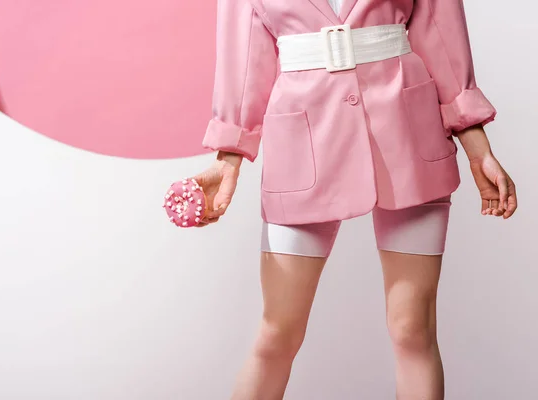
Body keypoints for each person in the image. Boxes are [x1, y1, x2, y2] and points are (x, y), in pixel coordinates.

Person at [192, 0, 517, 399]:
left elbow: (441, 33)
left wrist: (477, 146)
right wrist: (228, 159)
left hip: (408, 137)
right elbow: (242, 60)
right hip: (303, 148)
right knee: (278, 332)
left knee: (412, 328)